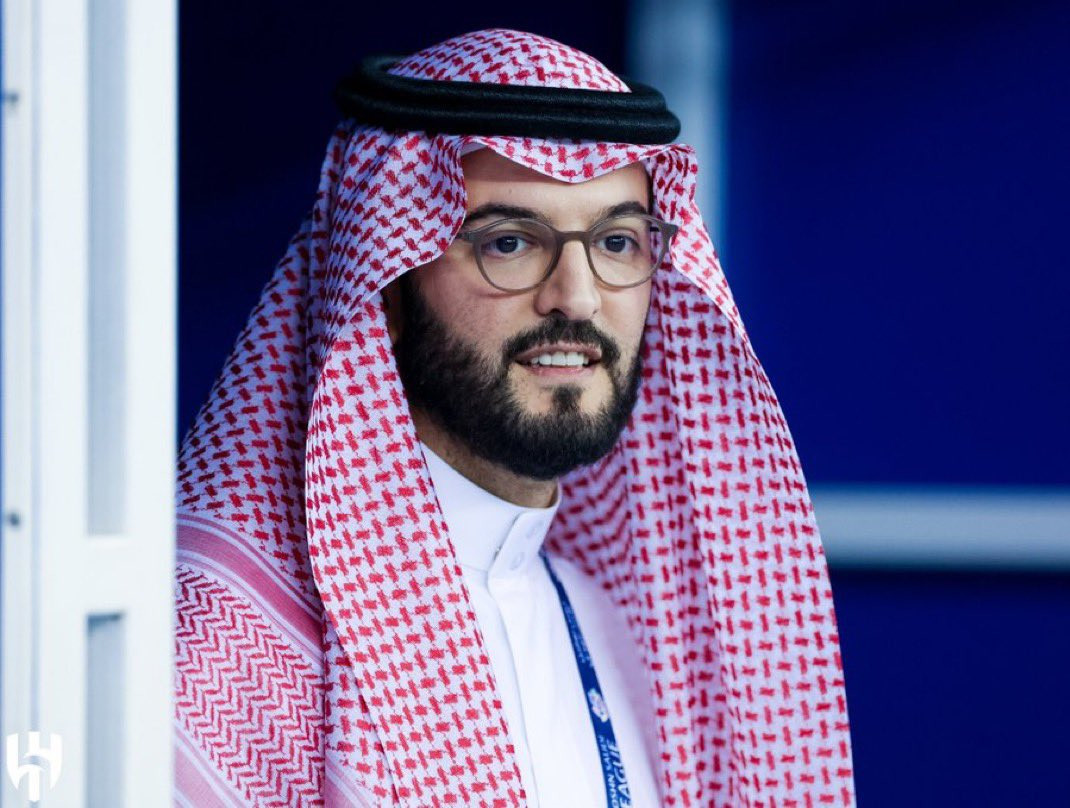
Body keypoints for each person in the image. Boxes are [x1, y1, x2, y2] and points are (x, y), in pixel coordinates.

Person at [174, 28, 856, 808]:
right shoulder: (222, 650)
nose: (578, 297)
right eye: (509, 242)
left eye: (618, 241)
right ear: (385, 289)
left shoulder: (617, 632)